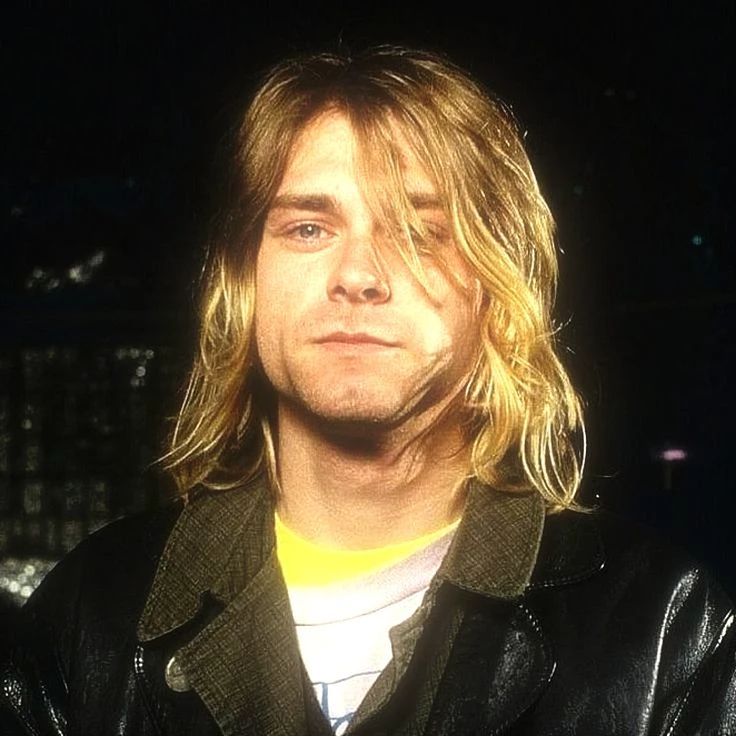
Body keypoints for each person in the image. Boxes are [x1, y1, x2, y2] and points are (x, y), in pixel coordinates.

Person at [1, 46, 734, 736]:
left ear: (496, 288)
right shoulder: (89, 614)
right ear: (246, 280)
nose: (358, 275)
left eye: (419, 233)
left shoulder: (663, 628)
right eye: (309, 227)